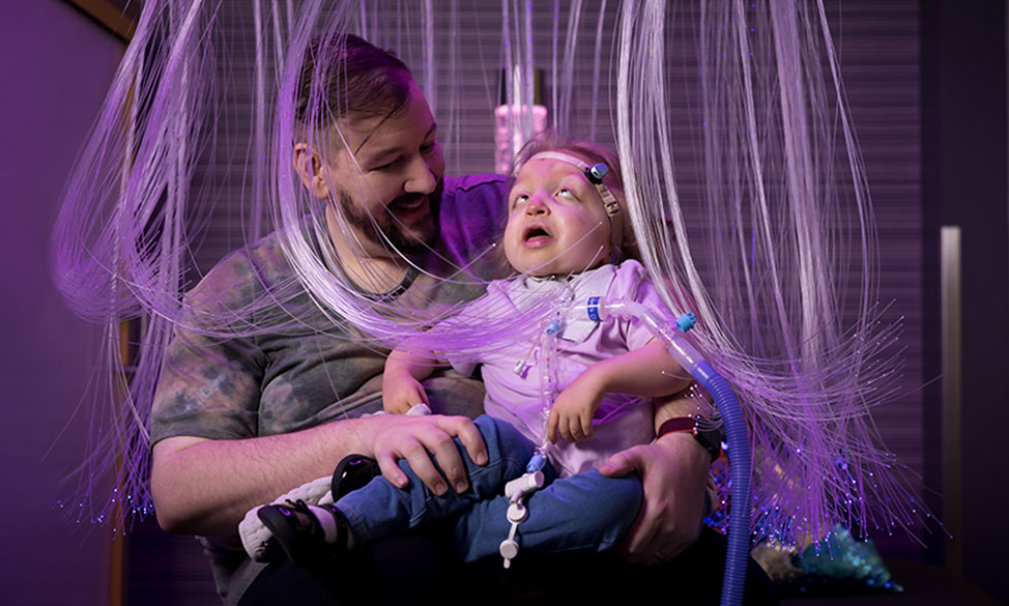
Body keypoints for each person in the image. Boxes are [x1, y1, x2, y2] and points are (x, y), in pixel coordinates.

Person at [149, 34, 767, 605]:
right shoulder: (240, 291)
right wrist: (365, 437)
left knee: (730, 582)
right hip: (346, 551)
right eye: (390, 162)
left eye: (429, 143)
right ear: (314, 170)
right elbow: (177, 490)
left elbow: (668, 326)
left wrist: (682, 445)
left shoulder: (511, 220)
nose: (425, 176)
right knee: (407, 573)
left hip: (545, 506)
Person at [253, 137, 698, 567]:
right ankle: (341, 521)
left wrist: (603, 378)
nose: (536, 206)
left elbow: (680, 360)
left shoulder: (629, 288)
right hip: (507, 464)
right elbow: (427, 342)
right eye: (520, 200)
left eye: (565, 193)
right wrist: (400, 370)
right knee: (478, 439)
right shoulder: (499, 304)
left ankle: (456, 536)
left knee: (621, 498)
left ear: (617, 224)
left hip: (591, 474)